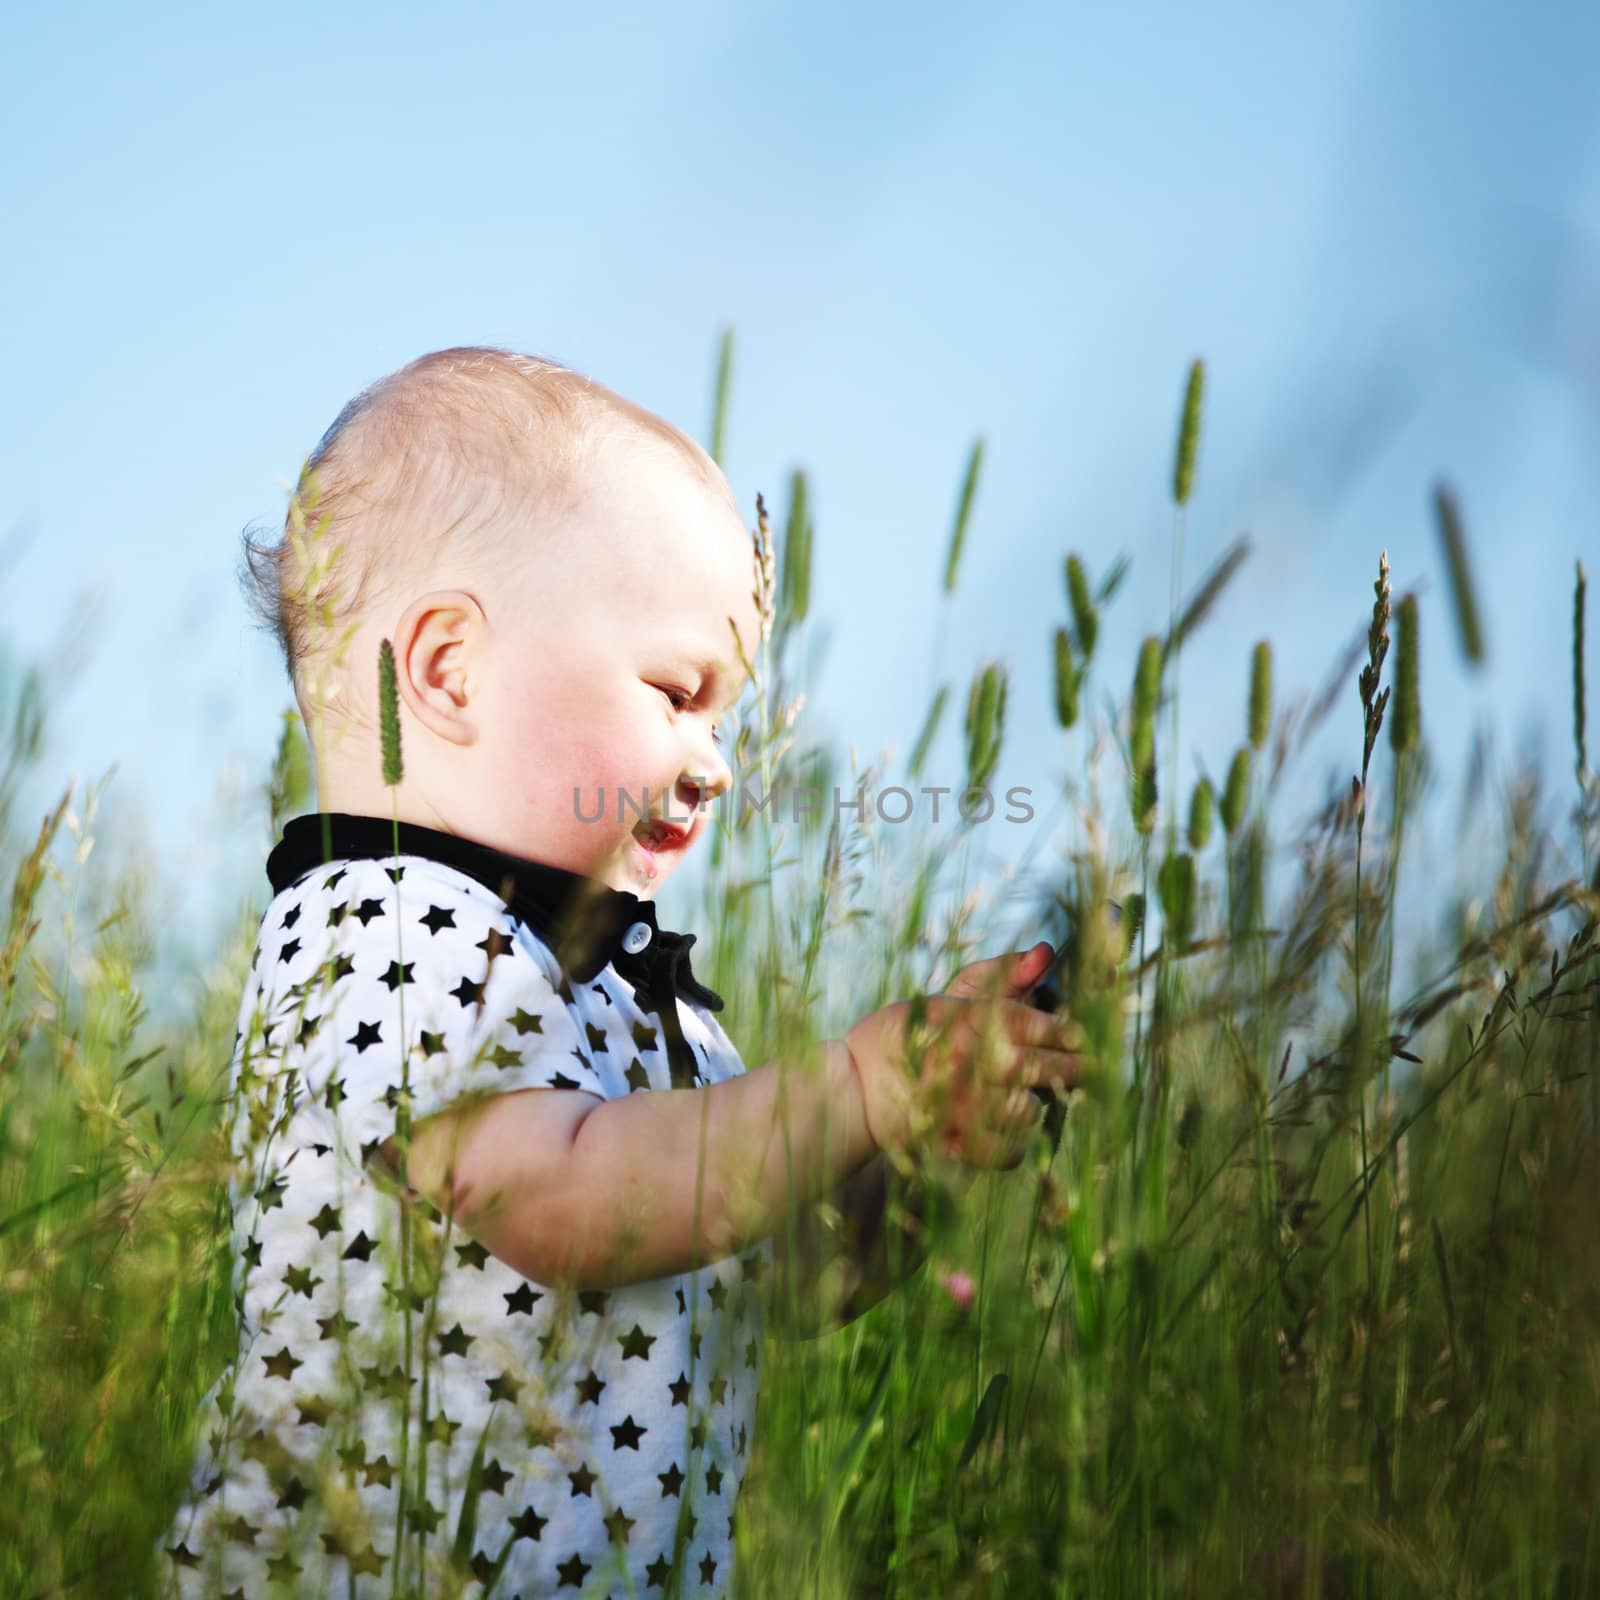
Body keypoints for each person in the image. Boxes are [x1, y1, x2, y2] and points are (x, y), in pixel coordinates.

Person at [157, 347, 1082, 1598]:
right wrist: (855, 1086)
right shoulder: (383, 922)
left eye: (724, 718)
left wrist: (918, 1140)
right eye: (674, 691)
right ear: (445, 670)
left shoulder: (621, 989)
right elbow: (564, 1200)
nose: (713, 763)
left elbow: (782, 1272)